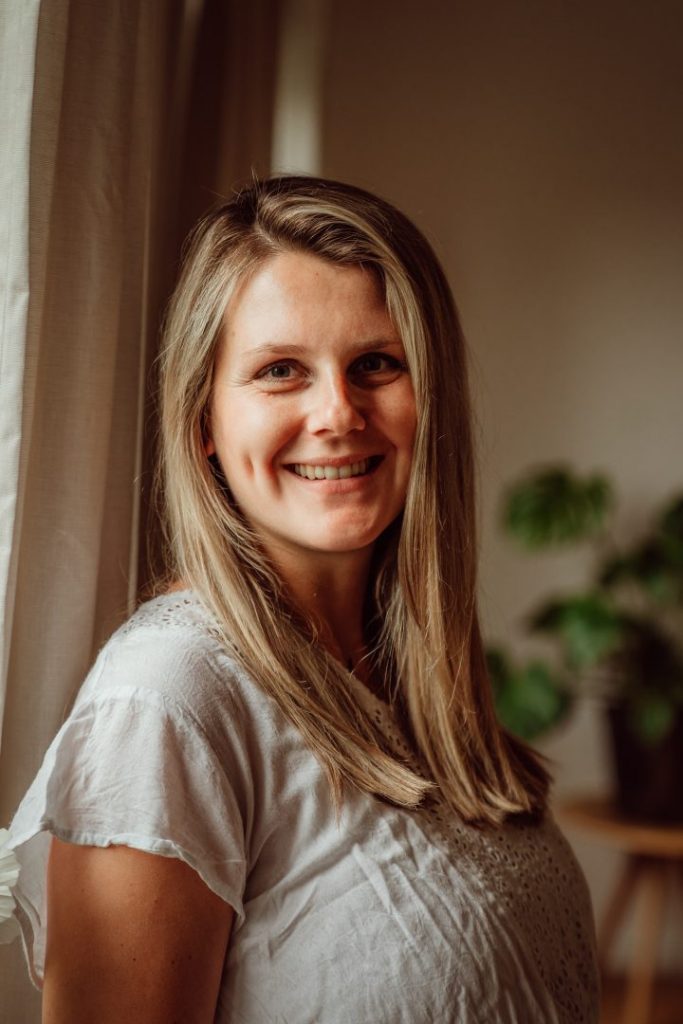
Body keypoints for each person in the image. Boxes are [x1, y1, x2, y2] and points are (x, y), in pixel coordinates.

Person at [7, 176, 599, 1023]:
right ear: (203, 422)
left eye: (376, 365)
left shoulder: (408, 678)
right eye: (279, 370)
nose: (337, 413)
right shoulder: (167, 699)